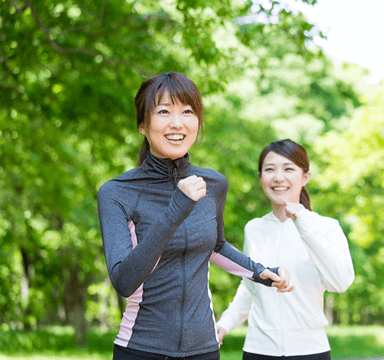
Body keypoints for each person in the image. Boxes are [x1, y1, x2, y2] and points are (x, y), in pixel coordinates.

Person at [97, 73, 294, 360]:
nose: (177, 123)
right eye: (163, 111)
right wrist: (176, 210)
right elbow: (124, 281)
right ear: (143, 124)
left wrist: (260, 272)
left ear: (198, 122)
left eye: (187, 111)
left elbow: (214, 245)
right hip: (141, 348)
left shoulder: (213, 184)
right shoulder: (118, 192)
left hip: (204, 349)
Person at [216, 139, 355, 360]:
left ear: (305, 177)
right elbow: (249, 287)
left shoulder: (326, 227)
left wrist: (302, 222)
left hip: (310, 351)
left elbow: (339, 283)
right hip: (257, 351)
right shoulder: (254, 228)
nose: (278, 177)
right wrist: (225, 323)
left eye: (288, 169)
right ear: (261, 177)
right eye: (269, 169)